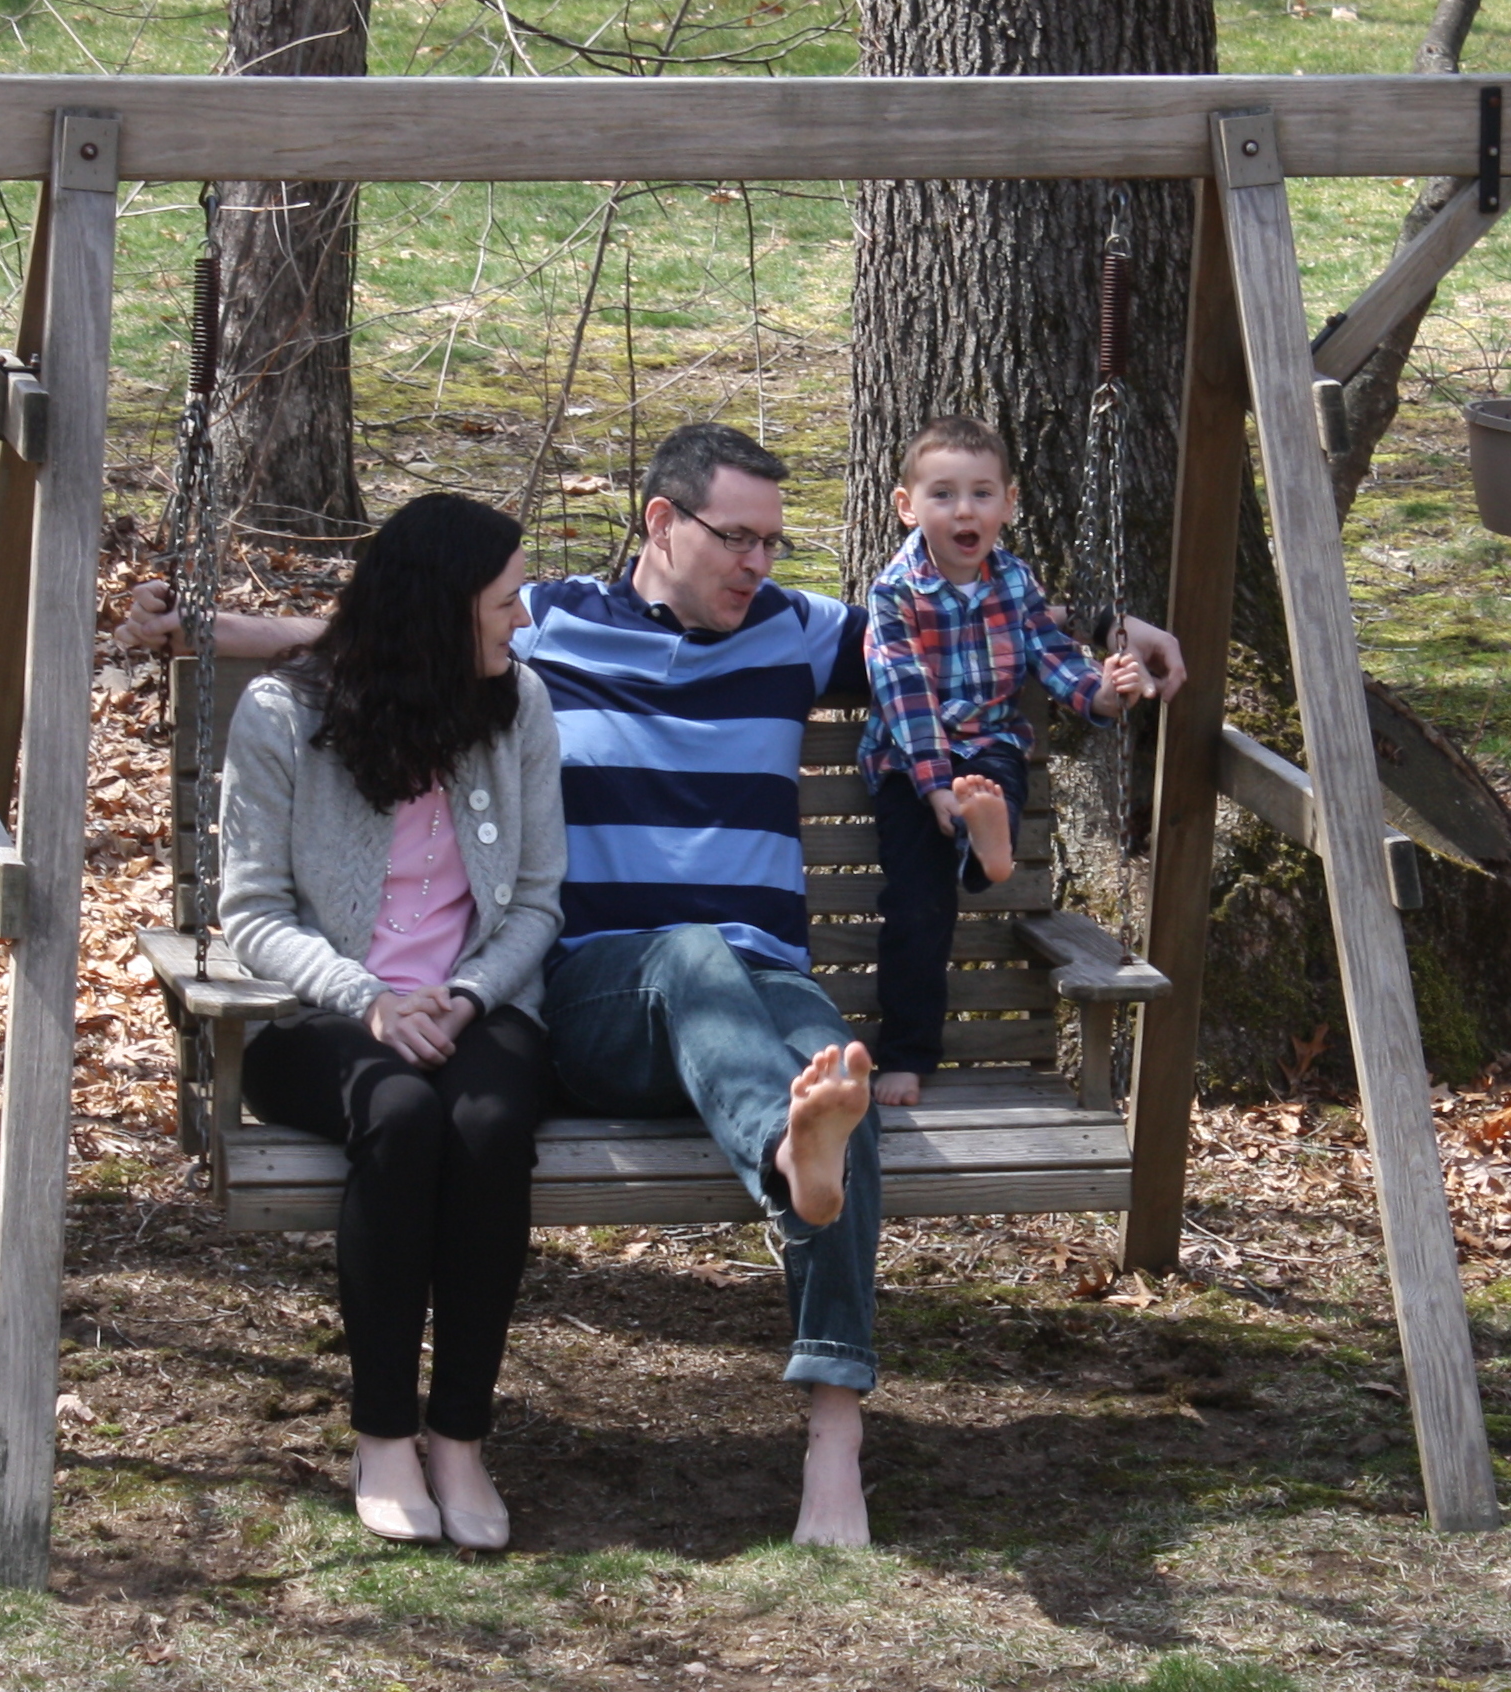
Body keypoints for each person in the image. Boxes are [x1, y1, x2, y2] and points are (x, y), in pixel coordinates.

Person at [118, 427, 1185, 1548]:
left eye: (772, 544)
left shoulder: (800, 631)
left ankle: (833, 1440)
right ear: (662, 522)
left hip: (761, 980)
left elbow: (967, 618)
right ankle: (787, 1155)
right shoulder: (548, 624)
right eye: (737, 539)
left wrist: (1111, 631)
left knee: (836, 1073)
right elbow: (387, 632)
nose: (758, 565)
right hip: (606, 995)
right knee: (692, 960)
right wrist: (198, 627)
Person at [214, 492, 566, 1552]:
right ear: (440, 610)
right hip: (314, 1017)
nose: (523, 621)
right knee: (401, 1117)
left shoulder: (517, 706)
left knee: (490, 1126)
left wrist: (467, 994)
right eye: (506, 602)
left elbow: (537, 899)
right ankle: (381, 1435)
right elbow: (251, 914)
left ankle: (457, 1435)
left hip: (475, 1004)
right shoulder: (283, 716)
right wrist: (365, 998)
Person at [861, 417, 1153, 1108]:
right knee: (916, 906)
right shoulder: (894, 592)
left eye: (981, 493)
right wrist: (935, 787)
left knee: (999, 774)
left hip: (991, 743)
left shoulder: (1014, 581)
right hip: (910, 760)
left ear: (1008, 503)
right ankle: (905, 1054)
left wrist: (1103, 695)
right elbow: (903, 695)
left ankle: (989, 845)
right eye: (942, 494)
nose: (964, 510)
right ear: (907, 507)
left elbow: (1051, 656)